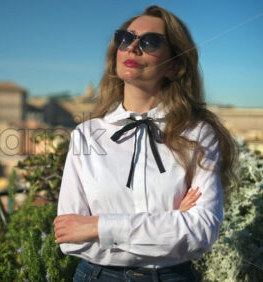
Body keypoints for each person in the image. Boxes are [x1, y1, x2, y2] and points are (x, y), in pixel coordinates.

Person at [54, 5, 237, 282]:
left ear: (175, 65)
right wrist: (172, 221)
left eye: (150, 41)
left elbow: (202, 231)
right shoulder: (85, 135)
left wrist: (98, 226)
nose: (133, 47)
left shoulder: (198, 134)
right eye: (125, 38)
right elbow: (70, 237)